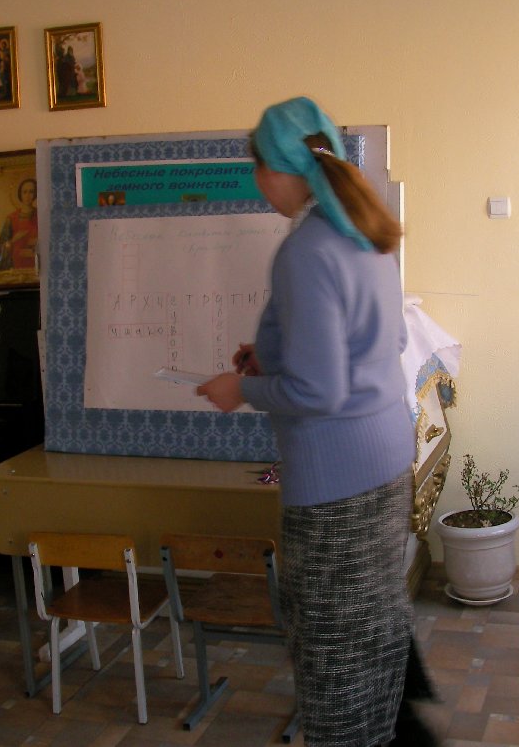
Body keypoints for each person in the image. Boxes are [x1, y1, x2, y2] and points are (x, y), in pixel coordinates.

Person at [196, 97, 436, 747]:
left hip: (335, 484)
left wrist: (241, 388)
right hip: (387, 462)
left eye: (258, 168)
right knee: (373, 630)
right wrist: (270, 356)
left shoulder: (306, 249)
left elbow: (320, 389)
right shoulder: (364, 232)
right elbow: (377, 345)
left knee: (333, 657)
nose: (258, 184)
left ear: (281, 169)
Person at [0, 178, 38, 272]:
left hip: (37, 264)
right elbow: (0, 247)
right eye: (25, 192)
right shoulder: (11, 218)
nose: (28, 196)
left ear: (35, 194)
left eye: (31, 192)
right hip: (16, 265)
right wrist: (13, 240)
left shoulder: (40, 215)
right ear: (20, 194)